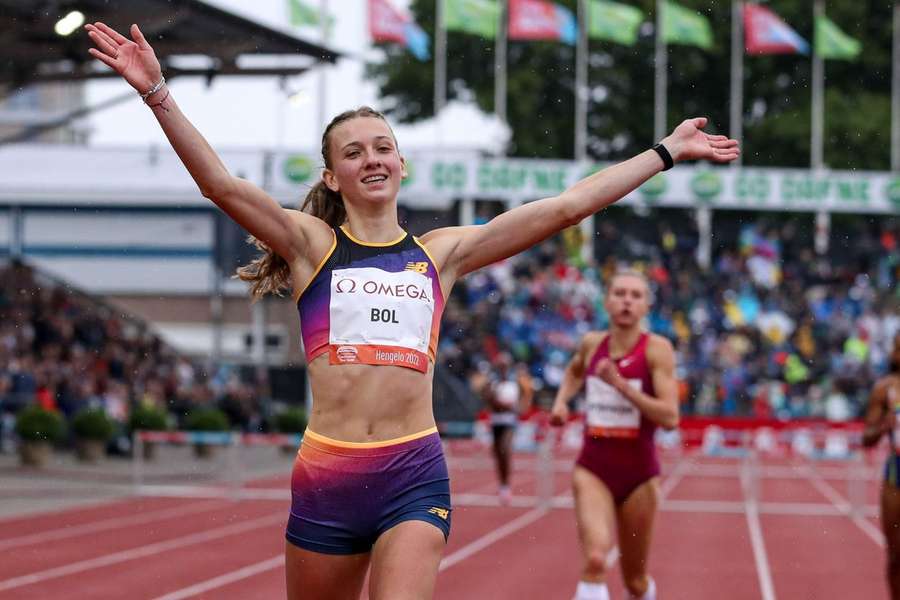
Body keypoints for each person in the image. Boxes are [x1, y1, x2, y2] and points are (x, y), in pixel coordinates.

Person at [85, 21, 738, 600]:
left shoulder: (442, 255)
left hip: (412, 473)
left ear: (400, 163)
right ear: (333, 177)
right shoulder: (313, 247)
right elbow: (219, 185)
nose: (372, 157)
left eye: (382, 146)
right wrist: (157, 94)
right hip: (327, 475)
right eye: (354, 151)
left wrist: (663, 154)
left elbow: (565, 208)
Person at [550, 271, 680, 600]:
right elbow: (574, 371)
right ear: (607, 301)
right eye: (619, 293)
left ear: (646, 305)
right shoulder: (593, 343)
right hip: (593, 468)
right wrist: (562, 401)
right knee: (595, 560)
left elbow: (670, 418)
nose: (626, 300)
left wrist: (620, 385)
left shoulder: (657, 350)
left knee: (634, 582)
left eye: (635, 295)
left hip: (640, 476)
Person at [862, 332, 900, 600]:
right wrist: (884, 423)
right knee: (897, 554)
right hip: (896, 476)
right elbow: (866, 438)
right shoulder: (885, 388)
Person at [483, 354, 533, 504]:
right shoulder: (493, 381)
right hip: (496, 422)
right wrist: (497, 402)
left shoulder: (515, 382)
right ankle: (503, 484)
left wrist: (520, 407)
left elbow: (526, 394)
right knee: (498, 454)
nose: (502, 368)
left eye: (504, 365)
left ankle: (506, 485)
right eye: (500, 366)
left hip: (510, 422)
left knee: (505, 449)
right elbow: (488, 399)